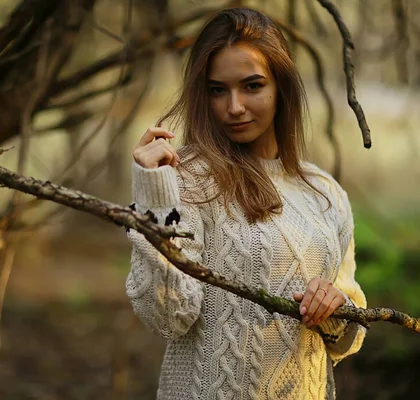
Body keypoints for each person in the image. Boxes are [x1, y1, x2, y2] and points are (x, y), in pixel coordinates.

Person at [125, 7, 366, 400]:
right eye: (218, 89)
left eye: (252, 86)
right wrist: (154, 195)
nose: (234, 106)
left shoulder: (324, 192)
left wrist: (337, 309)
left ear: (281, 87)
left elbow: (345, 341)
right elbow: (167, 317)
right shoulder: (186, 177)